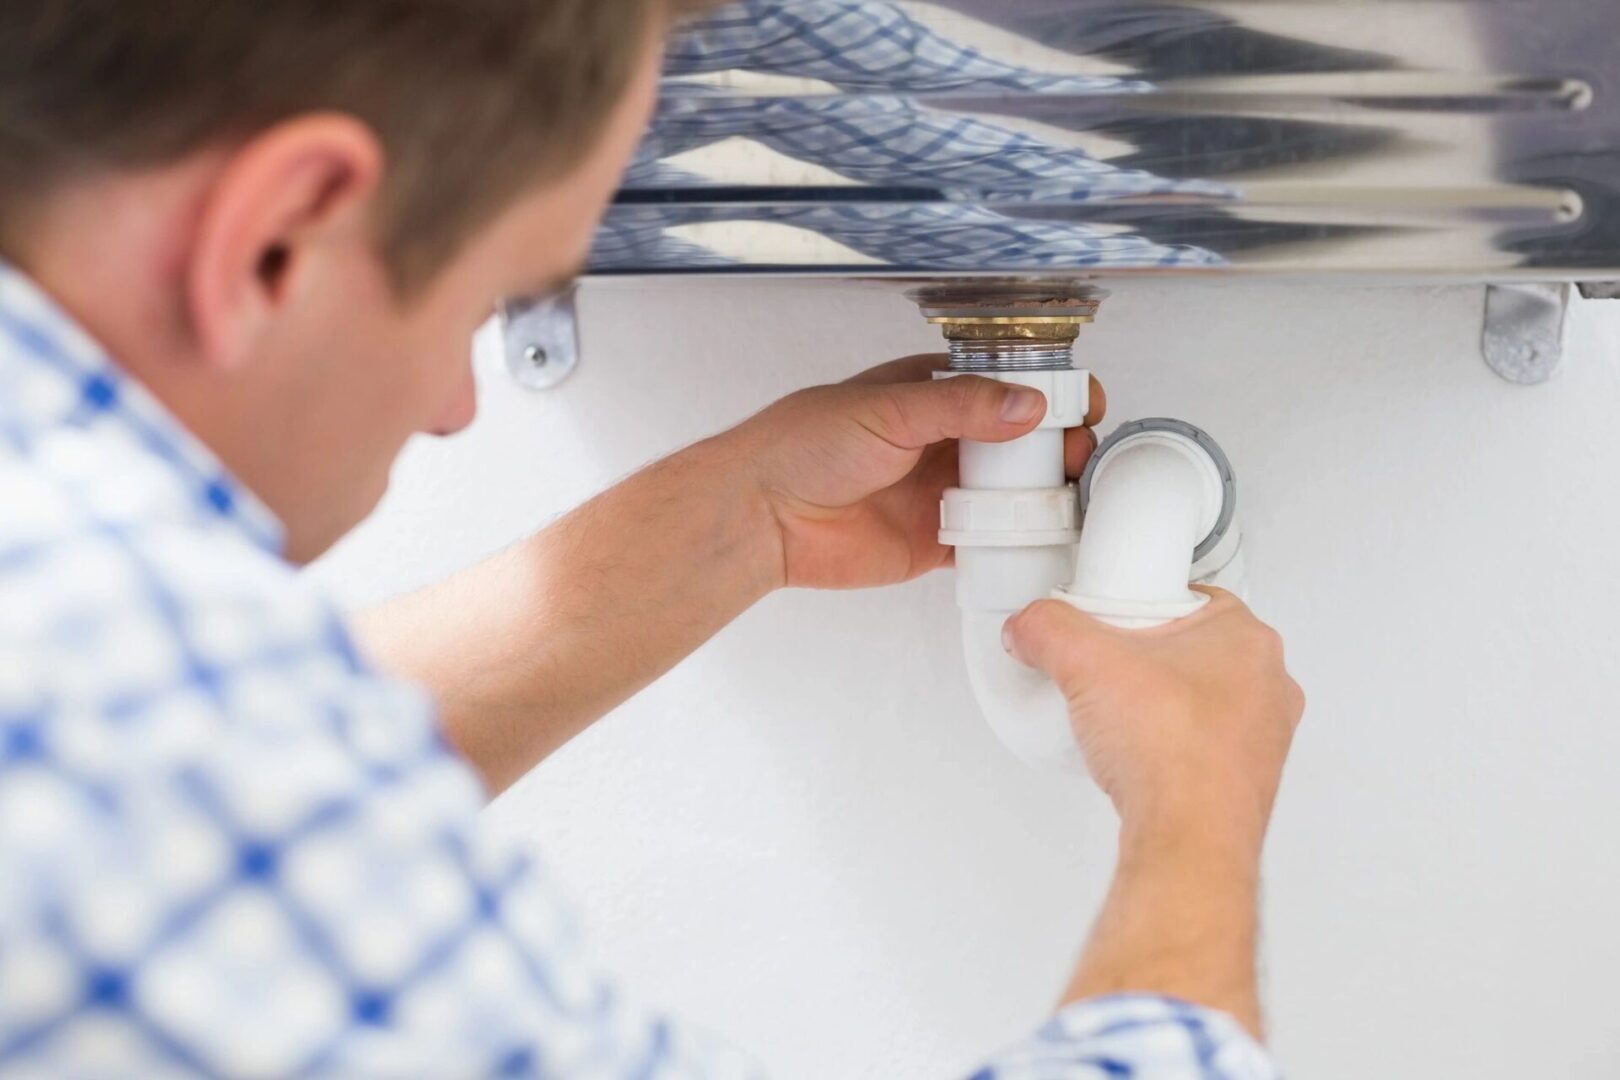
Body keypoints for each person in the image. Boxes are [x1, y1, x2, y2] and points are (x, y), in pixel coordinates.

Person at [0, 2, 1305, 1077]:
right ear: (279, 236)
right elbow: (193, 789)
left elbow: (222, 799)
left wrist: (737, 525)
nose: (458, 408)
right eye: (487, 302)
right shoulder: (124, 711)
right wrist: (1196, 801)